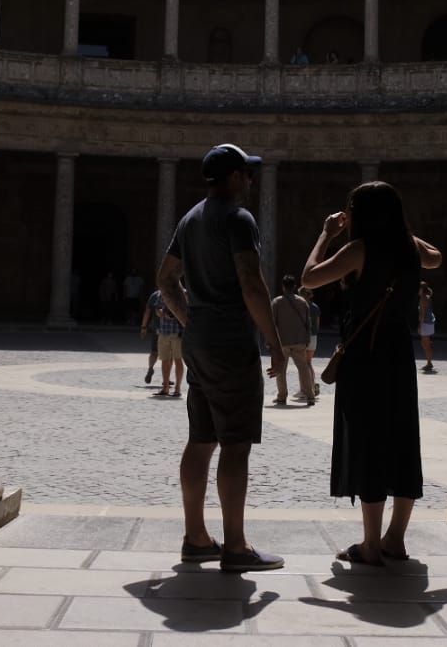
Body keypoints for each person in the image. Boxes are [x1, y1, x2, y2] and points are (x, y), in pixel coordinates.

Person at [156, 142, 287, 573]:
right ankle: (235, 546)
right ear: (233, 177)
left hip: (201, 342)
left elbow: (166, 279)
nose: (250, 180)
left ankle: (195, 537)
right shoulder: (238, 218)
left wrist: (190, 320)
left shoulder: (190, 218)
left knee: (201, 438)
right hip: (231, 340)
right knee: (235, 444)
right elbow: (252, 282)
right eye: (246, 174)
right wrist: (274, 340)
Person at [301, 180, 442, 567]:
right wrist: (401, 230)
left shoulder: (358, 249)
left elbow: (309, 278)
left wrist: (325, 234)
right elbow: (436, 257)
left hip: (365, 356)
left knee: (368, 442)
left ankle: (370, 545)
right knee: (401, 438)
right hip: (398, 352)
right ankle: (395, 538)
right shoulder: (410, 249)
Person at [270, 275, 315, 406]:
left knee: (281, 370)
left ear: (283, 286)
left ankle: (282, 396)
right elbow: (308, 323)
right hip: (299, 340)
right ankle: (310, 396)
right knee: (303, 368)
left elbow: (273, 323)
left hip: (282, 341)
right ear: (294, 286)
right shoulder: (302, 302)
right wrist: (307, 339)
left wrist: (271, 342)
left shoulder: (277, 302)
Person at [141, 286, 186, 397]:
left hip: (178, 332)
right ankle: (165, 387)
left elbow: (187, 310)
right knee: (165, 360)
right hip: (163, 331)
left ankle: (177, 389)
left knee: (178, 360)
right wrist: (161, 313)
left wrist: (175, 313)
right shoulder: (161, 293)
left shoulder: (183, 293)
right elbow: (156, 309)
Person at [303, 285, 322, 398]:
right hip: (314, 336)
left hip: (305, 337)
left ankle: (311, 386)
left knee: (305, 363)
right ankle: (313, 385)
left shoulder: (303, 306)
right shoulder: (316, 307)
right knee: (309, 362)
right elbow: (318, 324)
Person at [417, 282, 437, 373]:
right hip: (430, 322)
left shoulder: (423, 298)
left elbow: (422, 314)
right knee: (425, 343)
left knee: (426, 344)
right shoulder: (428, 297)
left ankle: (429, 363)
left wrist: (420, 326)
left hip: (425, 323)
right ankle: (429, 362)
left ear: (421, 289)